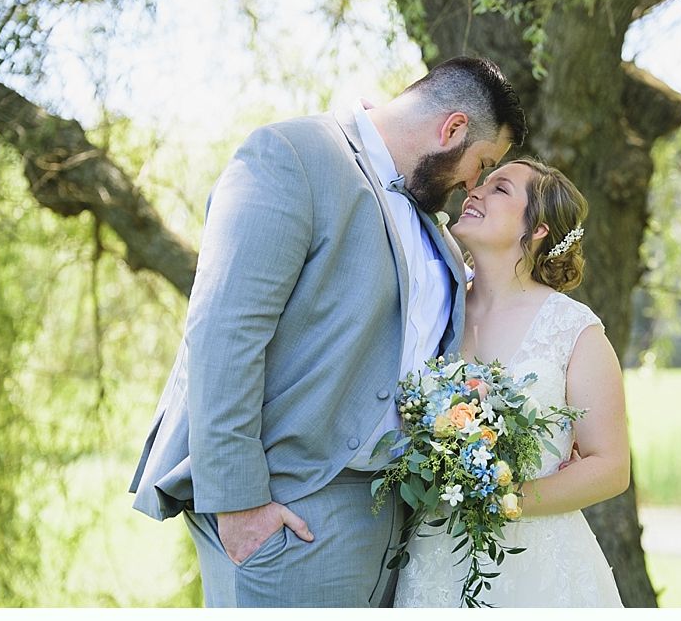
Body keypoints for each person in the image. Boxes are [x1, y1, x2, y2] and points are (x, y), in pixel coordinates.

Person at [128, 57, 527, 607]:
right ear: (452, 129)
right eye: (481, 163)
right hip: (289, 513)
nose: (473, 185)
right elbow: (225, 332)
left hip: (391, 520)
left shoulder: (433, 226)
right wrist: (240, 505)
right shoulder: (292, 156)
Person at [393, 157, 630, 607]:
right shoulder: (436, 308)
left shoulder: (572, 329)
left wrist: (503, 497)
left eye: (499, 189)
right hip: (433, 553)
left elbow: (610, 466)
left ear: (538, 229)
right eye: (482, 184)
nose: (474, 191)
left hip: (534, 567)